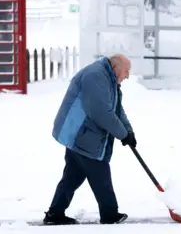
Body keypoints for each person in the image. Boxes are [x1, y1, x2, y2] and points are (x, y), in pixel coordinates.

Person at [43, 54, 137, 225]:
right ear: (115, 69)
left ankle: (55, 213)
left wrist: (128, 132)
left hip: (82, 133)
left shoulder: (108, 79)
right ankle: (109, 214)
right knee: (100, 173)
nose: (127, 76)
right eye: (126, 71)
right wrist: (122, 134)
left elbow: (116, 108)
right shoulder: (95, 76)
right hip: (81, 133)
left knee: (73, 175)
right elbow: (100, 112)